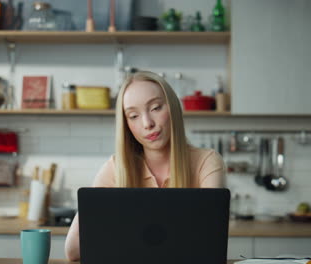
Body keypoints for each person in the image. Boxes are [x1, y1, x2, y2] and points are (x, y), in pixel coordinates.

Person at [64, 70, 225, 261]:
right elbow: (73, 250)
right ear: (126, 125)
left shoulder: (207, 162)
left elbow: (208, 245)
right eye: (133, 116)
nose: (147, 123)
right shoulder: (116, 167)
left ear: (172, 107)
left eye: (156, 108)